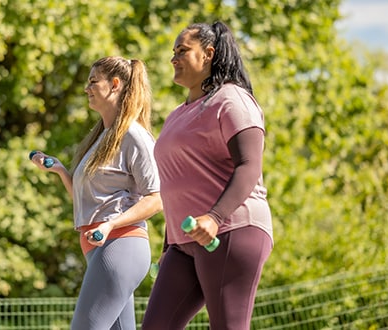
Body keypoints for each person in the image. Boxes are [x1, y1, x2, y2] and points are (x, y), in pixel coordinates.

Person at [142, 21, 273, 329]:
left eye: (183, 50)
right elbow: (179, 184)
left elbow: (249, 166)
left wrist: (214, 217)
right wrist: (167, 246)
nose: (174, 58)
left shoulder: (232, 100)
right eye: (173, 52)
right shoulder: (177, 113)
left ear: (209, 54)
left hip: (232, 230)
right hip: (183, 242)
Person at [30, 56, 162, 330]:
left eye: (93, 81)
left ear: (115, 85)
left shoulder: (133, 136)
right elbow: (91, 202)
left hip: (121, 246)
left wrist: (111, 223)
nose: (86, 89)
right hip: (98, 248)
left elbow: (157, 198)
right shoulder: (102, 137)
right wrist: (62, 172)